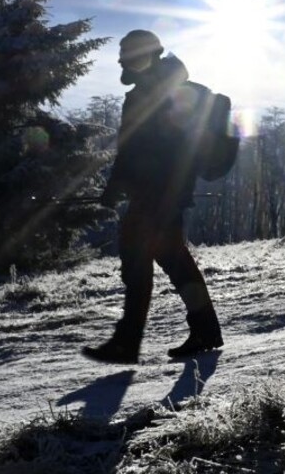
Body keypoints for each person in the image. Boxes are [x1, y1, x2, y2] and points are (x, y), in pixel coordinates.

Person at [83, 30, 223, 364]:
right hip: (161, 193)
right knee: (173, 259)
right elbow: (133, 150)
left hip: (157, 194)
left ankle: (128, 342)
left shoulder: (162, 93)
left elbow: (140, 151)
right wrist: (117, 188)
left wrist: (121, 187)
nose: (129, 62)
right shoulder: (151, 92)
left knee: (137, 260)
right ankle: (205, 329)